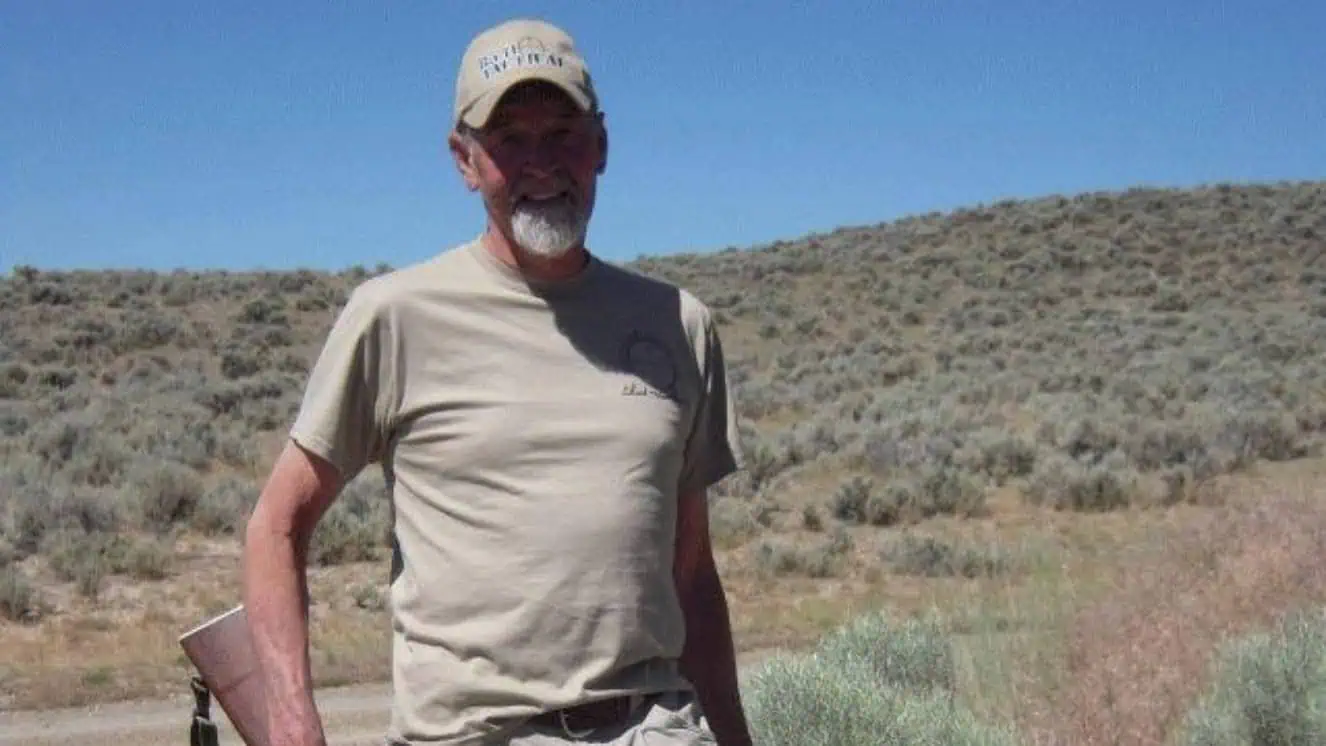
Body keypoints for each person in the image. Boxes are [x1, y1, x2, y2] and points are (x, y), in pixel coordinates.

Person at [241, 16, 754, 746]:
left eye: (563, 134)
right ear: (465, 160)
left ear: (601, 146)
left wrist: (735, 735)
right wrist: (293, 725)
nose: (541, 163)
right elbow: (275, 526)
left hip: (658, 728)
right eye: (511, 138)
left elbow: (693, 571)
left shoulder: (679, 323)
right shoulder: (395, 316)